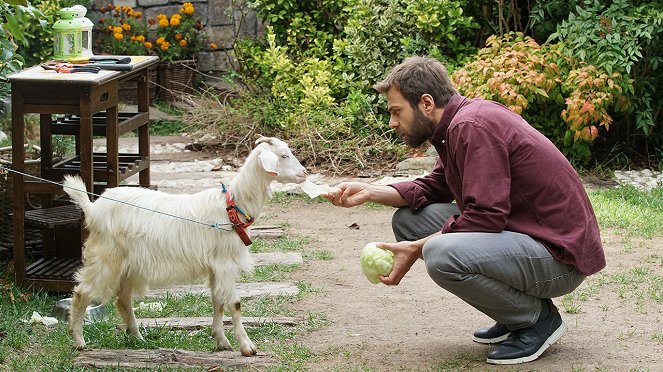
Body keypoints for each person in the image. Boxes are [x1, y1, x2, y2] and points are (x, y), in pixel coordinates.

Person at [325, 56, 606, 365]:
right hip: (528, 238)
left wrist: (419, 248)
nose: (392, 123)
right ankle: (513, 312)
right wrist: (369, 191)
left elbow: (486, 215)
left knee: (442, 254)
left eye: (396, 111)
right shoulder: (456, 125)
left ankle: (538, 320)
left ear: (427, 103)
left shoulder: (472, 126)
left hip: (558, 257)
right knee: (411, 220)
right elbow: (435, 187)